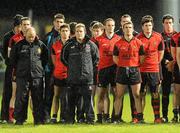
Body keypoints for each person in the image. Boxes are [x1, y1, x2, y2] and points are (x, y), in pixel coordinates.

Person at [61, 23, 99, 124]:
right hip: (73, 78)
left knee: (88, 101)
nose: (79, 33)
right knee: (71, 101)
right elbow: (63, 59)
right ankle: (70, 120)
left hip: (87, 79)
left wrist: (88, 69)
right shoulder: (68, 45)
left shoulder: (91, 45)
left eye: (81, 31)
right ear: (75, 33)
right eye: (77, 31)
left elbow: (96, 59)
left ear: (85, 32)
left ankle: (90, 119)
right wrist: (73, 68)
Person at [9, 27, 48, 125]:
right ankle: (20, 119)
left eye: (33, 36)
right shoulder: (18, 45)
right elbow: (13, 60)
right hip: (22, 76)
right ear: (25, 34)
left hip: (37, 76)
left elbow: (45, 59)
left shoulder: (40, 45)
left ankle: (38, 120)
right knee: (21, 97)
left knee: (38, 98)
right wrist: (19, 70)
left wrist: (38, 68)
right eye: (29, 36)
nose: (31, 38)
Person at [113, 21, 145, 123]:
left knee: (136, 95)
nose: (128, 29)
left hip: (134, 70)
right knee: (119, 95)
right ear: (123, 29)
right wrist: (124, 64)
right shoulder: (118, 43)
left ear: (133, 28)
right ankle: (116, 118)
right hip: (122, 70)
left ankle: (139, 118)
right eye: (126, 27)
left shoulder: (139, 43)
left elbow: (142, 58)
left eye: (130, 27)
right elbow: (115, 58)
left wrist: (133, 65)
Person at [137, 15, 164, 123]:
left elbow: (161, 52)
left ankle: (157, 117)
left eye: (150, 25)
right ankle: (139, 117)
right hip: (141, 70)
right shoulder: (138, 38)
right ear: (142, 27)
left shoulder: (158, 37)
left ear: (152, 25)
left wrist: (155, 63)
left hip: (154, 70)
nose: (148, 27)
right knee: (141, 94)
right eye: (146, 25)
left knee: (155, 94)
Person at [95, 18, 120, 123]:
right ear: (104, 27)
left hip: (115, 69)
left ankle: (113, 117)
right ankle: (100, 118)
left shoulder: (119, 39)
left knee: (116, 94)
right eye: (108, 25)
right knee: (101, 94)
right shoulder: (98, 40)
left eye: (113, 25)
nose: (111, 27)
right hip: (102, 70)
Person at [0, 14, 23, 123]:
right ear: (14, 26)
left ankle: (17, 116)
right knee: (7, 92)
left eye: (21, 26)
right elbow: (4, 53)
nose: (19, 28)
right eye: (18, 26)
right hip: (10, 68)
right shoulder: (7, 37)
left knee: (19, 93)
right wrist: (11, 63)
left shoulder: (24, 36)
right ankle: (4, 116)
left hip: (21, 69)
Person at [43, 13, 65, 123]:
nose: (59, 24)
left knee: (63, 95)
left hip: (64, 72)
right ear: (53, 22)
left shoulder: (67, 37)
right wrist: (46, 68)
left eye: (61, 22)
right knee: (49, 94)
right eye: (57, 22)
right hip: (50, 71)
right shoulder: (48, 37)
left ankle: (63, 117)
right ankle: (47, 116)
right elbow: (44, 54)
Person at [50, 23, 70, 123]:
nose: (65, 33)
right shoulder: (55, 46)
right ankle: (54, 116)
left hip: (69, 75)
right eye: (63, 31)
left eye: (66, 31)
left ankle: (64, 117)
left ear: (69, 32)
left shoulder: (72, 45)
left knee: (65, 97)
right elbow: (54, 61)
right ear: (60, 32)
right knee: (56, 95)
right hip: (57, 74)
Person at [161, 14, 177, 123]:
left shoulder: (177, 35)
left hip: (177, 66)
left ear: (173, 23)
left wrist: (173, 62)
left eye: (170, 23)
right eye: (166, 23)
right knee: (165, 92)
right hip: (165, 67)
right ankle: (165, 116)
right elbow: (156, 53)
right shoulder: (159, 36)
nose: (168, 25)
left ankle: (176, 116)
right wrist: (164, 61)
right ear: (163, 24)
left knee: (177, 92)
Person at [170, 30, 180, 123]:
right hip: (178, 67)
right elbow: (175, 55)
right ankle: (175, 115)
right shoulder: (176, 37)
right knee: (177, 91)